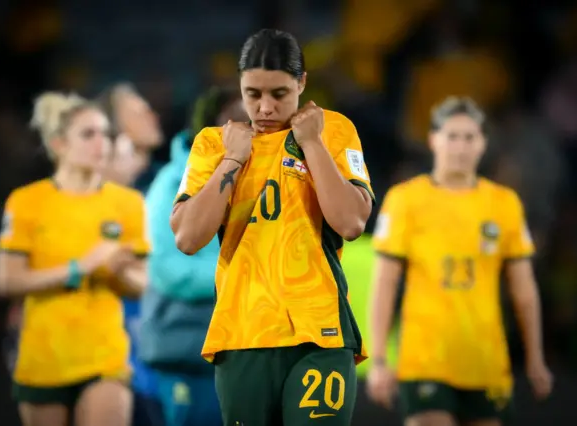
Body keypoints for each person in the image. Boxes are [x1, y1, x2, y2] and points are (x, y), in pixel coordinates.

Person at [170, 29, 375, 426]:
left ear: (301, 83)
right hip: (243, 332)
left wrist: (312, 144)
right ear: (240, 87)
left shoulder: (333, 130)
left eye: (279, 94)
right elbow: (187, 238)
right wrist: (232, 160)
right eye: (252, 94)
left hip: (320, 331)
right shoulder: (213, 144)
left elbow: (351, 222)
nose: (264, 107)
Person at [366, 96, 553, 426]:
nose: (461, 146)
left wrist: (535, 358)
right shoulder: (406, 199)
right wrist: (378, 358)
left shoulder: (504, 203)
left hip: (486, 360)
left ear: (483, 143)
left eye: (470, 137)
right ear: (433, 139)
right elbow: (384, 284)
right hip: (424, 360)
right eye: (452, 136)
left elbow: (524, 290)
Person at [0, 92, 150, 426]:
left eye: (105, 134)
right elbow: (8, 281)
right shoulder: (26, 202)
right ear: (59, 144)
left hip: (104, 358)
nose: (102, 144)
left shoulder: (127, 203)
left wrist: (117, 271)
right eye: (88, 134)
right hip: (43, 359)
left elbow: (141, 285)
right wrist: (81, 268)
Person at [140, 86, 247, 426]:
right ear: (211, 129)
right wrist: (244, 274)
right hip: (188, 345)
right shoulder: (171, 181)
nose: (250, 130)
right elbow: (168, 270)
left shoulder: (267, 179)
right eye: (238, 121)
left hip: (245, 347)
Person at [97, 83, 166, 426]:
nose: (151, 114)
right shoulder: (93, 196)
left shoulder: (167, 182)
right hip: (118, 345)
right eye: (138, 111)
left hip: (162, 341)